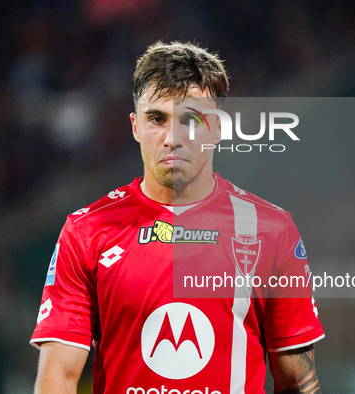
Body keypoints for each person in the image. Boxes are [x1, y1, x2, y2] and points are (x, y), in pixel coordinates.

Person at [30, 41, 324, 393]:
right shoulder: (87, 230)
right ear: (135, 126)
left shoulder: (271, 230)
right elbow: (58, 378)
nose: (173, 138)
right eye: (157, 119)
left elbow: (297, 379)